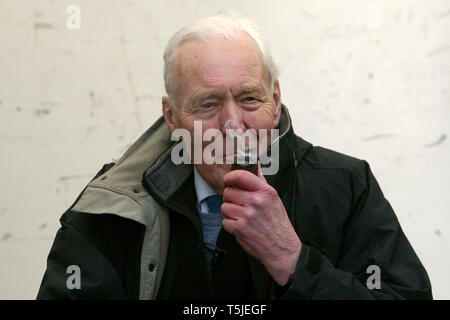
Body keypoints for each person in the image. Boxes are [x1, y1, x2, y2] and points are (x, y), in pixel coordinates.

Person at [37, 13, 432, 300]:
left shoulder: (345, 186)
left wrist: (294, 262)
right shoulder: (114, 205)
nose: (232, 124)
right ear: (172, 117)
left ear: (275, 101)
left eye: (248, 99)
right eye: (207, 105)